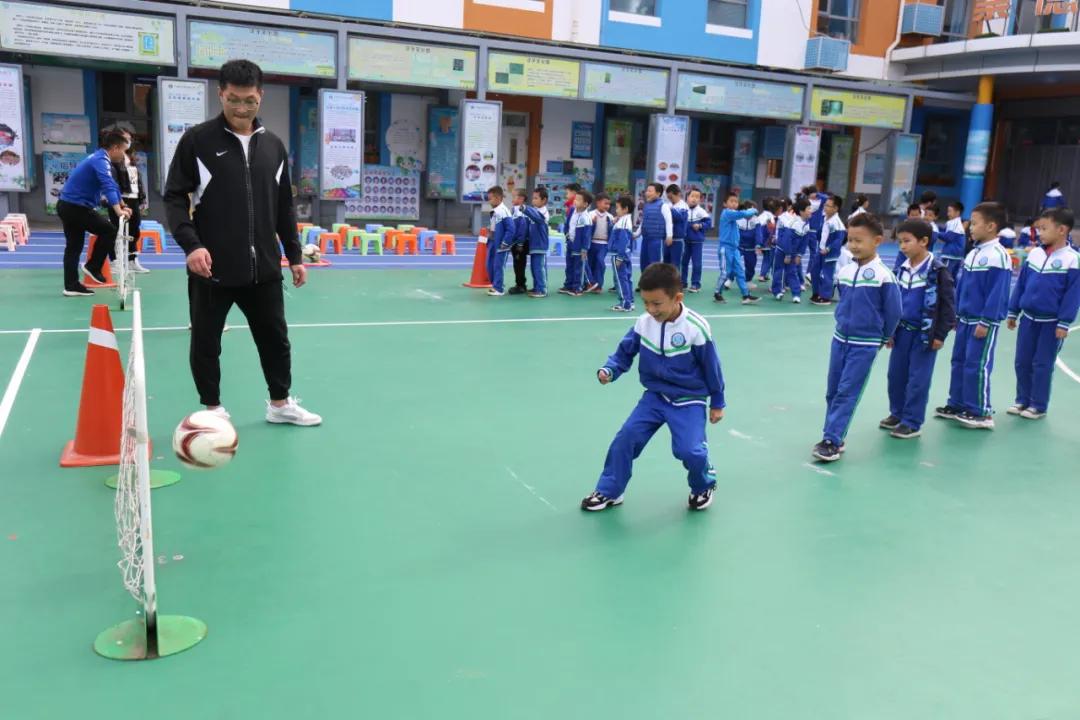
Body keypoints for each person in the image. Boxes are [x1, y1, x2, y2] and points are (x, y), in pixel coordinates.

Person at [164, 59, 319, 426]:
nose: (241, 108)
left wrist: (294, 255)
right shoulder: (198, 141)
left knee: (275, 339)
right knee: (206, 341)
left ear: (260, 96)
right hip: (212, 267)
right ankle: (212, 409)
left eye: (249, 100)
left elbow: (283, 206)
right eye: (233, 99)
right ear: (221, 94)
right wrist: (192, 245)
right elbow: (174, 197)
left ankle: (280, 403)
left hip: (263, 267)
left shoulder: (274, 146)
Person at [581, 263, 724, 512]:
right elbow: (625, 352)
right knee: (625, 440)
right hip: (655, 397)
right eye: (645, 302)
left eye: (656, 304)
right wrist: (610, 370)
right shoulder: (644, 323)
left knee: (690, 452)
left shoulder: (696, 328)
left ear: (677, 298)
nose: (650, 309)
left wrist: (717, 402)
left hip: (688, 400)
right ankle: (610, 491)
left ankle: (703, 484)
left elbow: (712, 368)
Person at [812, 213, 901, 462]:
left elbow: (894, 312)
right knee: (832, 391)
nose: (853, 245)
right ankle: (834, 435)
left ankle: (831, 439)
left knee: (847, 391)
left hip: (864, 344)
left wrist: (883, 337)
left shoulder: (884, 276)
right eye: (850, 240)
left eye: (859, 241)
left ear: (877, 241)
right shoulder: (845, 270)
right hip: (839, 339)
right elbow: (843, 301)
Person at [934, 202, 1011, 430]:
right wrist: (956, 314)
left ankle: (980, 412)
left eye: (975, 223)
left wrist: (986, 321)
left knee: (977, 365)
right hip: (965, 319)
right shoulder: (974, 253)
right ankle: (957, 404)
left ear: (991, 226)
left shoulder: (998, 256)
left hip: (981, 322)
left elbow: (997, 293)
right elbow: (962, 287)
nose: (970, 228)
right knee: (959, 361)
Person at [881, 219, 956, 439]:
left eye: (907, 241)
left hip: (924, 335)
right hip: (901, 332)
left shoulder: (938, 271)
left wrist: (940, 334)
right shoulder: (900, 269)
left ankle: (912, 422)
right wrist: (890, 331)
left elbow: (948, 306)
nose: (902, 246)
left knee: (918, 380)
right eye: (900, 242)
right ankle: (897, 413)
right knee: (896, 376)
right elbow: (892, 303)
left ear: (924, 241)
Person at [1006, 208, 1080, 419]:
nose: (1040, 233)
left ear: (1062, 230)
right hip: (1028, 320)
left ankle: (1038, 405)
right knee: (1022, 361)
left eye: (1044, 228)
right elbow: (1021, 284)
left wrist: (1064, 322)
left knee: (1042, 364)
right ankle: (1022, 400)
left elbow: (1073, 295)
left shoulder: (1073, 259)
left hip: (1052, 323)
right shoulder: (1035, 254)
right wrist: (1013, 311)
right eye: (1039, 228)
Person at [56, 131, 131, 296]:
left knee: (74, 246)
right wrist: (118, 211)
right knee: (109, 230)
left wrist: (123, 204)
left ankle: (71, 286)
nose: (124, 155)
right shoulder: (100, 160)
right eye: (124, 151)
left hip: (67, 205)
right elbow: (107, 184)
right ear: (115, 148)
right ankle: (93, 266)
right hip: (75, 207)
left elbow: (112, 185)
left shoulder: (98, 158)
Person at [108, 136, 149, 274]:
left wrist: (142, 197)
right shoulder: (114, 159)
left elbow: (137, 180)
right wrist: (118, 199)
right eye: (126, 139)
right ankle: (114, 261)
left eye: (129, 139)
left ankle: (132, 260)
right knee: (116, 230)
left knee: (134, 230)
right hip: (120, 198)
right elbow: (112, 182)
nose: (128, 141)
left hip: (134, 198)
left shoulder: (132, 159)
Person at [715, 191, 759, 305]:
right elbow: (743, 214)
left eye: (736, 201)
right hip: (725, 248)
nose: (734, 203)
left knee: (740, 272)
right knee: (726, 272)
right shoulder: (727, 213)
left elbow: (743, 214)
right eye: (731, 201)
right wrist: (753, 210)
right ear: (725, 203)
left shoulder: (734, 214)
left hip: (735, 249)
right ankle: (717, 293)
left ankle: (746, 295)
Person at [772, 197, 812, 304]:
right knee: (778, 271)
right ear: (801, 211)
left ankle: (796, 294)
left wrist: (799, 255)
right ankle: (777, 292)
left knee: (792, 272)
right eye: (808, 208)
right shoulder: (793, 223)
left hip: (793, 253)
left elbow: (804, 242)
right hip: (782, 251)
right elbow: (786, 240)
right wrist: (788, 255)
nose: (811, 210)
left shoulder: (807, 224)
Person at [812, 195, 846, 305]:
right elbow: (821, 233)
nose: (825, 207)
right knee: (815, 271)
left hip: (830, 253)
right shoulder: (825, 218)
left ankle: (826, 297)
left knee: (827, 274)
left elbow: (838, 240)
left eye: (828, 206)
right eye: (825, 205)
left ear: (835, 208)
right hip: (820, 250)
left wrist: (828, 248)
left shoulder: (837, 223)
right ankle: (816, 293)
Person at [486, 185, 515, 296]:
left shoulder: (503, 211)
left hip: (501, 244)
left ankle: (499, 288)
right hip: (493, 242)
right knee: (489, 265)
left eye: (490, 198)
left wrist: (505, 242)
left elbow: (511, 229)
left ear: (498, 198)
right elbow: (495, 226)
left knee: (498, 266)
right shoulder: (494, 210)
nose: (489, 201)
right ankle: (495, 285)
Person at [638, 182, 671, 280]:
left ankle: (655, 284)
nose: (647, 193)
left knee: (655, 263)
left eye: (650, 191)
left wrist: (669, 235)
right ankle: (645, 283)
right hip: (645, 239)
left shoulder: (663, 205)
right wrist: (637, 233)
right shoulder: (646, 205)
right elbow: (643, 221)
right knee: (644, 262)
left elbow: (669, 221)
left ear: (658, 193)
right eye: (647, 191)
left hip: (657, 240)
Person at [521, 187, 550, 298]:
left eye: (536, 198)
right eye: (533, 198)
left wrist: (525, 208)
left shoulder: (543, 213)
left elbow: (537, 218)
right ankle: (537, 287)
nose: (533, 200)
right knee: (534, 268)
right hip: (533, 244)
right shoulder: (535, 210)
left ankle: (542, 289)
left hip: (540, 245)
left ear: (544, 200)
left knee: (539, 268)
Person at [609, 195, 636, 312]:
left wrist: (620, 257)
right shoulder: (624, 220)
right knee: (627, 278)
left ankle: (625, 304)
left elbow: (623, 242)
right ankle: (630, 301)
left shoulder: (623, 223)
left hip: (619, 255)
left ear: (625, 209)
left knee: (621, 279)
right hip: (625, 254)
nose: (616, 210)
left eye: (618, 208)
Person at [682, 188, 711, 292]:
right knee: (683, 262)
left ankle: (695, 284)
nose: (694, 199)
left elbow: (708, 223)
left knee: (696, 263)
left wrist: (700, 225)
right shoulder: (683, 209)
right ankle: (683, 282)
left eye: (697, 197)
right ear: (687, 197)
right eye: (692, 196)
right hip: (684, 241)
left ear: (700, 200)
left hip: (697, 242)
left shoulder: (701, 211)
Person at [585, 192, 613, 294]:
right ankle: (589, 284)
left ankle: (598, 285)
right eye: (605, 203)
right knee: (590, 263)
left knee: (600, 262)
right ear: (598, 203)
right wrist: (592, 223)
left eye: (609, 204)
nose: (607, 206)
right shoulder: (590, 214)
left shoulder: (610, 217)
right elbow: (586, 230)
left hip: (603, 244)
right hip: (592, 243)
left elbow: (612, 231)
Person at [663, 184, 689, 277]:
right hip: (667, 239)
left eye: (671, 197)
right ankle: (665, 283)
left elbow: (680, 217)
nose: (670, 199)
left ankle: (675, 284)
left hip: (677, 240)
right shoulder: (669, 204)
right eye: (668, 197)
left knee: (675, 264)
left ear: (678, 194)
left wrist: (670, 209)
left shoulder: (683, 206)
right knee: (665, 264)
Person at [508, 188, 530, 295]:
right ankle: (519, 284)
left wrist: (520, 243)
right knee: (517, 264)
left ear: (521, 199)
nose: (512, 199)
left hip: (519, 244)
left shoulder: (522, 211)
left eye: (514, 196)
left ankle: (521, 285)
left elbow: (523, 228)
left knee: (519, 265)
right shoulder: (514, 209)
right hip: (515, 242)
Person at [940, 201, 967, 281]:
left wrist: (936, 233)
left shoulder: (955, 223)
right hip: (956, 256)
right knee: (952, 277)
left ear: (957, 212)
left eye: (950, 211)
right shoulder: (955, 223)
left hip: (951, 255)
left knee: (946, 276)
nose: (948, 214)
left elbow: (948, 237)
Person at [755, 197, 776, 284]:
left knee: (767, 258)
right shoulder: (771, 217)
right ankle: (762, 275)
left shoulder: (761, 215)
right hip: (767, 241)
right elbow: (770, 229)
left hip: (760, 240)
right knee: (768, 259)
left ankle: (765, 274)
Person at [736, 202, 759, 284]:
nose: (752, 213)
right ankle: (729, 278)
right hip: (739, 246)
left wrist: (758, 244)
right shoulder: (738, 219)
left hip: (751, 248)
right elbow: (734, 233)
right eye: (750, 211)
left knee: (751, 265)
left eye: (754, 211)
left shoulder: (756, 220)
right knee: (733, 262)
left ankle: (748, 280)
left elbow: (758, 233)